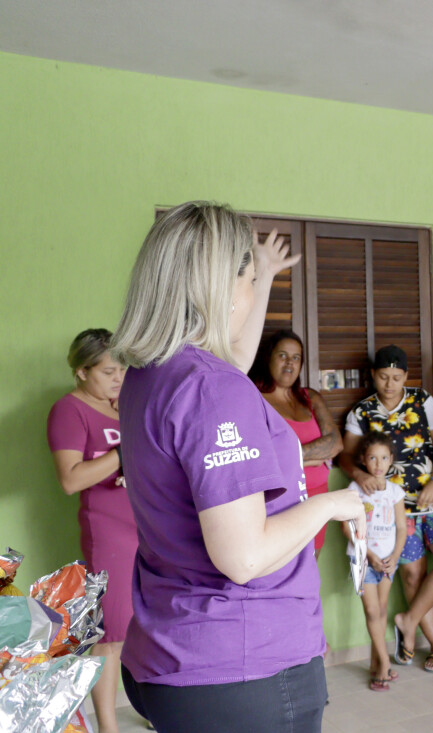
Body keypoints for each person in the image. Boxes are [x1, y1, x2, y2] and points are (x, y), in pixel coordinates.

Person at [112, 202, 366, 732]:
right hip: (244, 665)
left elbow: (228, 365)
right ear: (223, 289)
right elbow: (244, 557)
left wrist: (265, 273)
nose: (252, 293)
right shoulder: (212, 388)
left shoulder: (152, 374)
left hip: (171, 648)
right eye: (247, 279)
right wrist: (332, 504)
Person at [339, 344, 433, 674]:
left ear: (406, 376)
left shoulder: (422, 400)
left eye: (397, 377)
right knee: (413, 575)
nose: (390, 384)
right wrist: (359, 475)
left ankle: (408, 620)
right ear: (373, 375)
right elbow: (345, 455)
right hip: (394, 508)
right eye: (383, 377)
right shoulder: (361, 412)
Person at [47, 328, 132, 733]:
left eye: (122, 370)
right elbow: (71, 479)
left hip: (148, 526)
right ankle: (108, 726)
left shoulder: (123, 407)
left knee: (144, 627)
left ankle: (151, 706)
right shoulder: (69, 410)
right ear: (82, 371)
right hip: (109, 531)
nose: (118, 378)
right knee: (109, 633)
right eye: (108, 372)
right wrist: (121, 455)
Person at [250, 329, 342, 556]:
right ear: (268, 358)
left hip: (317, 498)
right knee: (283, 563)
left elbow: (335, 444)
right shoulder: (254, 398)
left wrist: (293, 456)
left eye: (296, 357)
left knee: (311, 562)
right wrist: (312, 458)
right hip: (280, 499)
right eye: (282, 355)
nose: (289, 363)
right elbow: (262, 455)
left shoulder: (310, 398)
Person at [344, 432, 407, 692]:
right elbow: (348, 528)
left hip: (388, 561)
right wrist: (369, 555)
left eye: (383, 458)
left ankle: (377, 664)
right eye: (372, 458)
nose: (378, 464)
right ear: (363, 460)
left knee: (381, 610)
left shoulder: (395, 492)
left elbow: (401, 528)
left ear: (391, 460)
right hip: (362, 558)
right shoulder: (354, 489)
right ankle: (384, 663)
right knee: (371, 611)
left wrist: (395, 557)